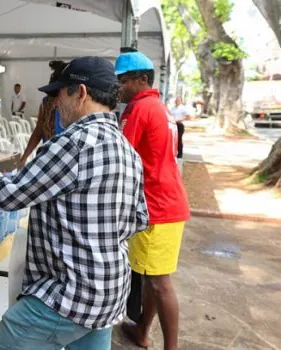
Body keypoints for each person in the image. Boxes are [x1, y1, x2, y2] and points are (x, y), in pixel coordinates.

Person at [0, 56, 149, 350]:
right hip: (111, 290)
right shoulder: (126, 149)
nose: (55, 103)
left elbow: (8, 194)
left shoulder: (73, 144)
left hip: (70, 296)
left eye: (59, 93)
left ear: (80, 92)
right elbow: (140, 218)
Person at [115, 50, 190, 350]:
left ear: (142, 79)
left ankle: (170, 347)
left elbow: (122, 155)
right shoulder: (159, 106)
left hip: (156, 205)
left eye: (124, 80)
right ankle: (142, 330)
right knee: (150, 277)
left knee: (160, 283)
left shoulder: (139, 109)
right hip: (167, 200)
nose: (120, 87)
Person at [18, 61, 67, 168]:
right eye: (52, 95)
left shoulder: (75, 112)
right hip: (45, 160)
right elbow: (38, 132)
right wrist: (24, 158)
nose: (54, 103)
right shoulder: (46, 103)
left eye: (57, 95)